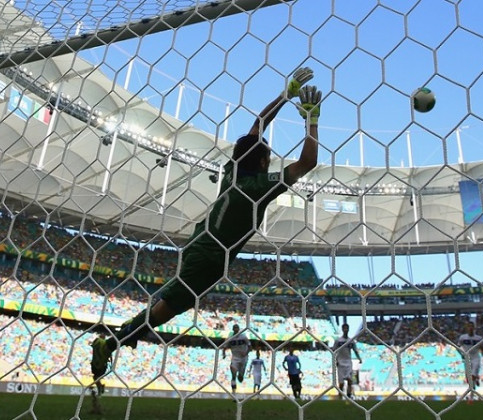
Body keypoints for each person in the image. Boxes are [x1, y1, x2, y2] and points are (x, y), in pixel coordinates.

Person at [89, 67, 321, 385]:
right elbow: (307, 162)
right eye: (269, 156)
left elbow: (257, 123)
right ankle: (113, 342)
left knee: (169, 303)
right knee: (168, 309)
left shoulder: (232, 172)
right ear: (263, 163)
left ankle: (117, 340)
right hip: (211, 256)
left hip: (203, 245)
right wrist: (312, 119)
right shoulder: (256, 187)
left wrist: (286, 93)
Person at [332, 323, 362, 399]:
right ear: (342, 329)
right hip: (340, 362)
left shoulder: (351, 341)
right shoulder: (338, 341)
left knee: (350, 380)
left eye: (347, 328)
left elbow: (355, 350)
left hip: (348, 362)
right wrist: (336, 360)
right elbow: (334, 351)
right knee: (341, 383)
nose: (346, 330)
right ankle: (340, 396)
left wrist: (359, 358)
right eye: (344, 328)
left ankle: (348, 396)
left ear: (348, 329)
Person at [458, 321, 483, 393]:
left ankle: (473, 388)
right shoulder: (462, 337)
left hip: (476, 357)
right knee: (468, 377)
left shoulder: (478, 338)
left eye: (471, 326)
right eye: (469, 326)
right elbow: (458, 346)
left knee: (473, 374)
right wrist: (462, 354)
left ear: (474, 328)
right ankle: (475, 380)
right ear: (467, 328)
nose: (470, 328)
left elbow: (482, 348)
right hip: (467, 357)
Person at [223, 324, 251, 395]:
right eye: (234, 328)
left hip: (243, 358)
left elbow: (250, 346)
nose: (236, 329)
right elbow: (224, 346)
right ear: (233, 329)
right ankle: (233, 392)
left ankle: (241, 374)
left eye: (237, 328)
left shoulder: (243, 336)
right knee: (233, 373)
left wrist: (246, 353)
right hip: (235, 358)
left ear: (239, 329)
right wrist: (224, 353)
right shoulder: (230, 337)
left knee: (240, 378)